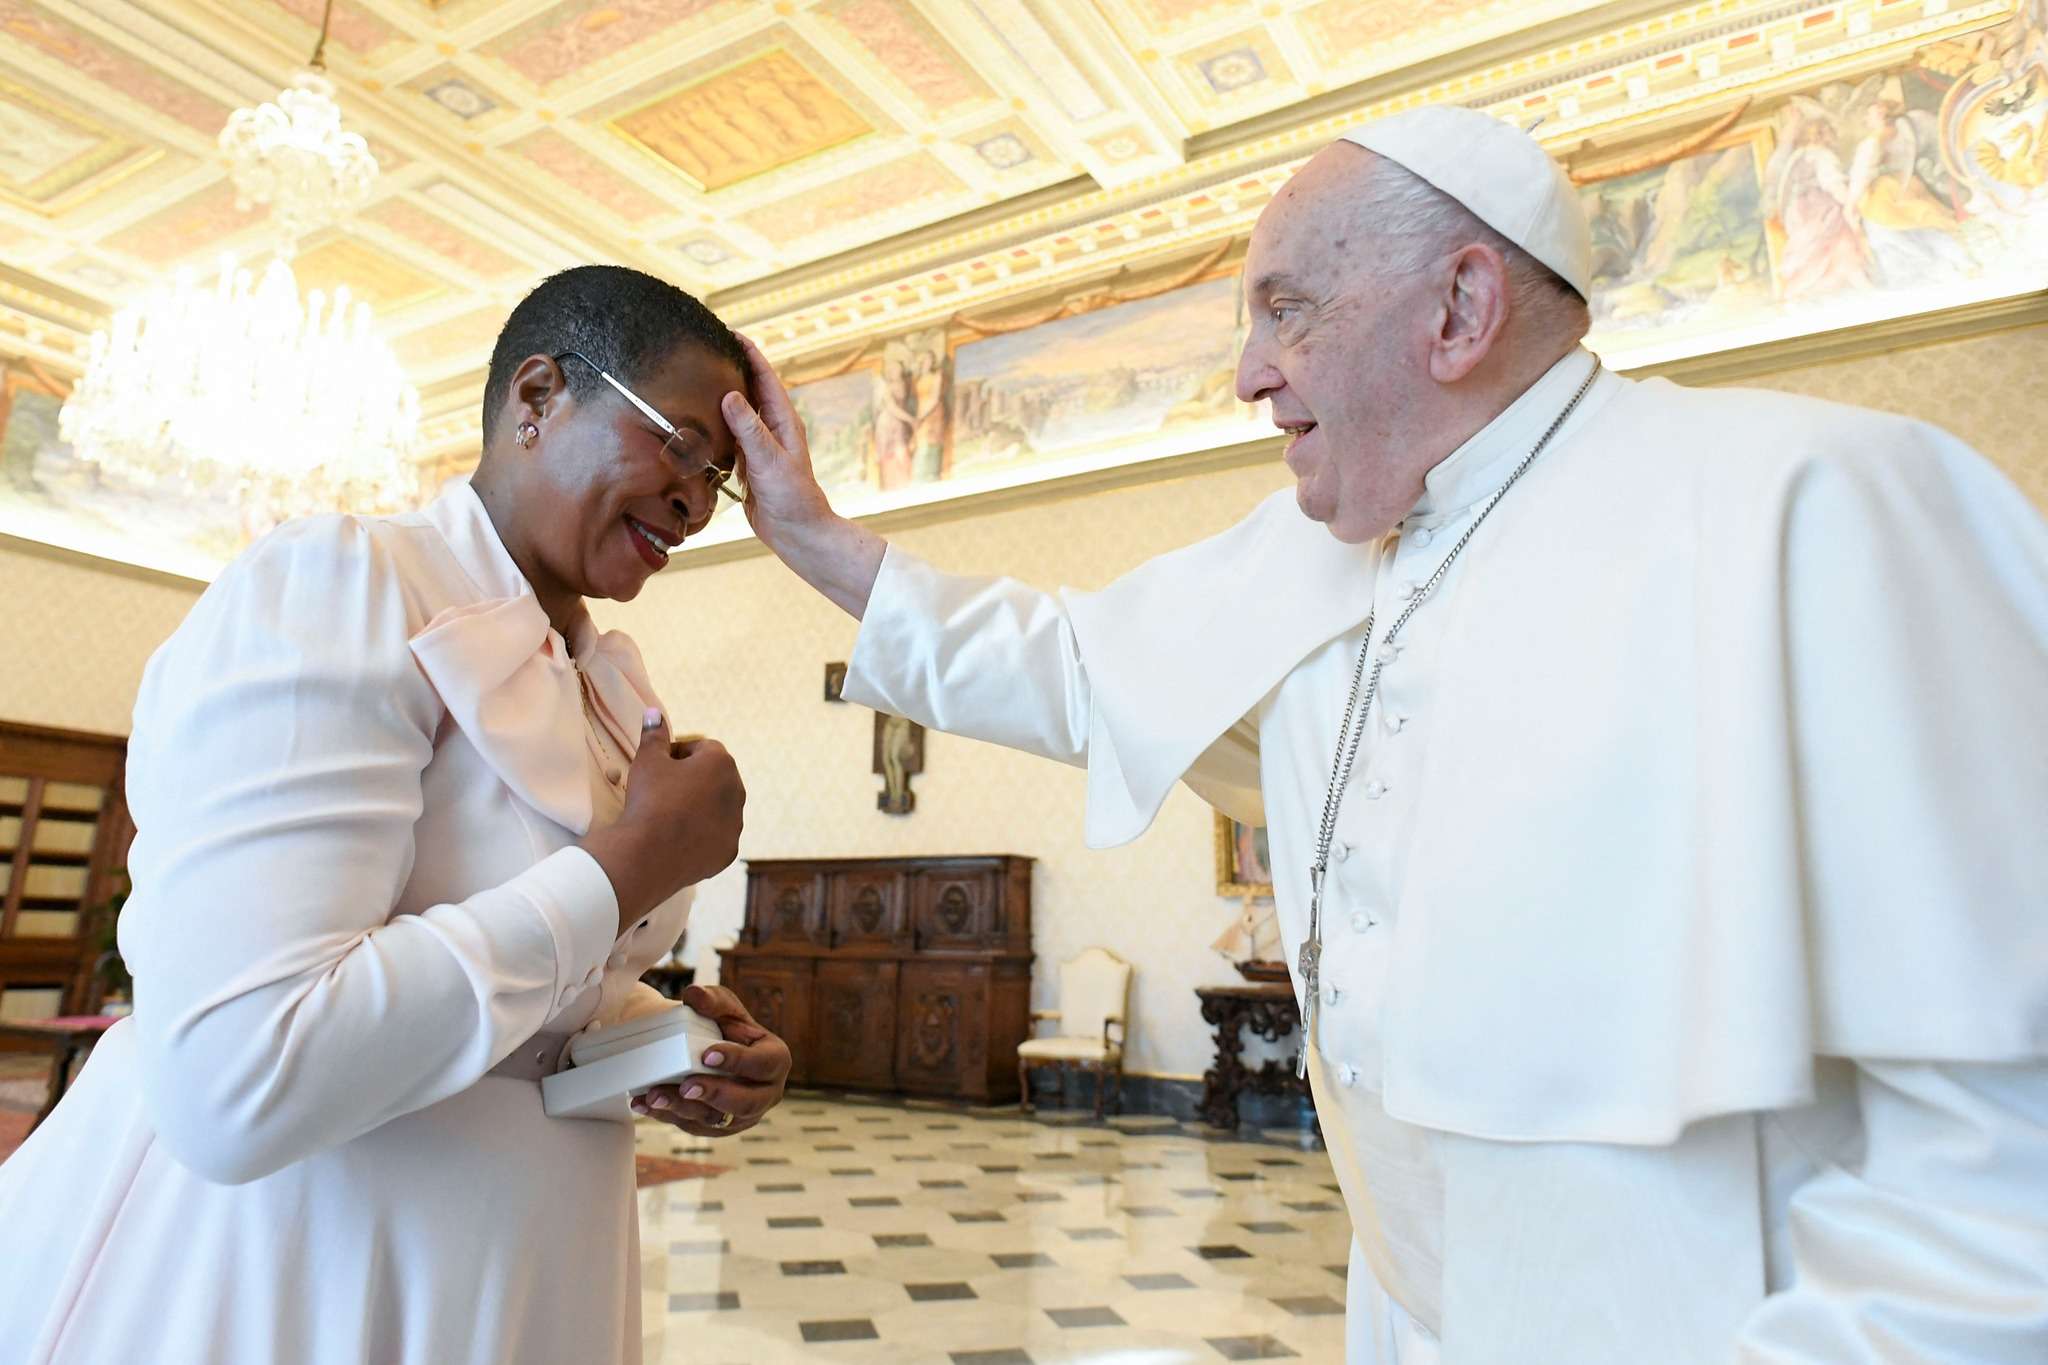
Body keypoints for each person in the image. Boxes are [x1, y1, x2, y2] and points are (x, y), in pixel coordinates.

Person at [721, 107, 2048, 1362]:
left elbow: (2002, 1150)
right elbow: (1069, 664)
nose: (1247, 376)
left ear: (1460, 309)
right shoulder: (1302, 561)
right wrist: (820, 543)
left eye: (1284, 311)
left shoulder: (1817, 505)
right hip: (1411, 1310)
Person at [0, 266, 792, 1365]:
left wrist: (664, 1047)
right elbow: (244, 1074)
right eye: (677, 443)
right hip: (300, 1259)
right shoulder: (344, 585)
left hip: (523, 1267)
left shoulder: (607, 688)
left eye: (721, 479)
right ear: (537, 396)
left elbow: (532, 1017)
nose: (698, 502)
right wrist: (633, 862)